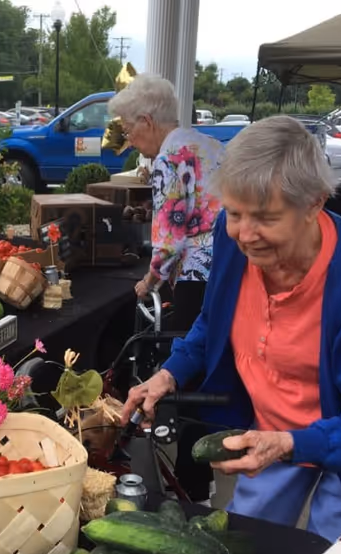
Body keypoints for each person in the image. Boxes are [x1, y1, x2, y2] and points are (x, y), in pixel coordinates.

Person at [121, 116, 341, 547]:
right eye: (235, 213)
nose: (245, 234)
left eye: (265, 218)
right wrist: (170, 373)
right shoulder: (231, 235)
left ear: (314, 203)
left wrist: (292, 444)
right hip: (275, 425)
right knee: (245, 548)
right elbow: (215, 319)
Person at [108, 74, 225, 504]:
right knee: (210, 368)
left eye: (127, 127)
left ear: (146, 119)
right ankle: (203, 478)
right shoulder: (207, 145)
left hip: (197, 274)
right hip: (230, 270)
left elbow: (171, 239)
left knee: (184, 372)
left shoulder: (167, 158)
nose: (129, 137)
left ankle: (195, 491)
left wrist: (149, 280)